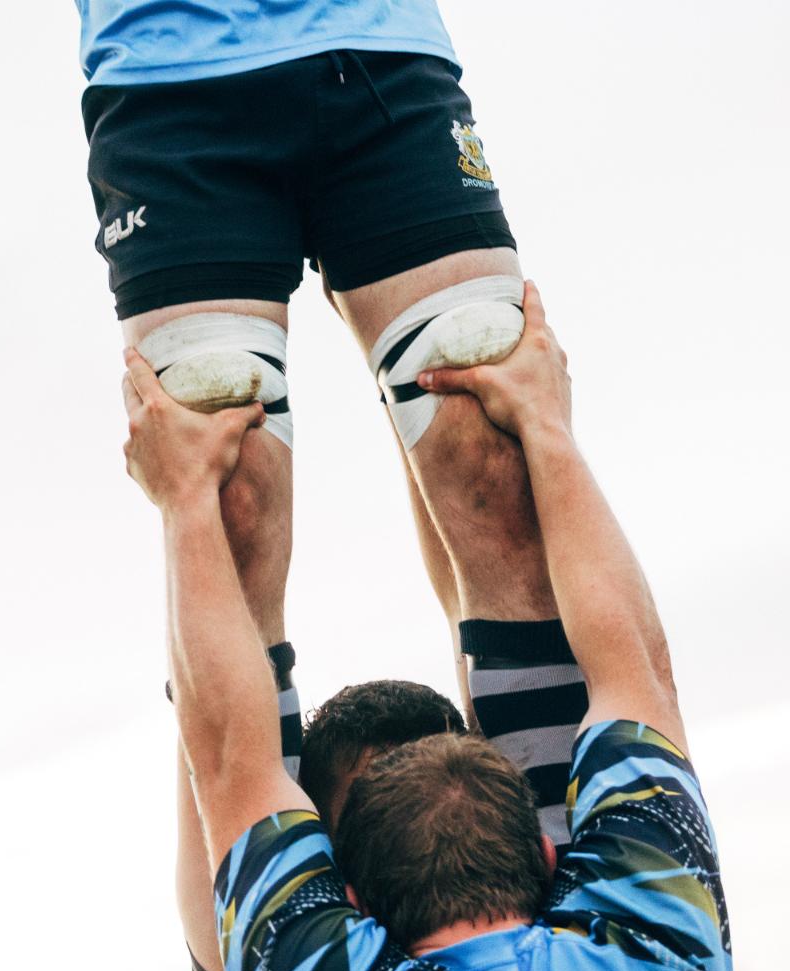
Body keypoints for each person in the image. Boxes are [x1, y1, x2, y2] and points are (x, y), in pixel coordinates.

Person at [76, 0, 589, 862]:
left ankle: (556, 894)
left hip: (376, 49)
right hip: (167, 73)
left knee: (490, 442)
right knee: (222, 495)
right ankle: (263, 930)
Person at [122, 281, 733, 971]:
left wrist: (544, 422)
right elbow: (231, 767)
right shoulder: (649, 961)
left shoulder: (663, 958)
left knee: (238, 496)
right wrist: (183, 495)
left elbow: (226, 761)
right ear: (547, 856)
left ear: (355, 905)